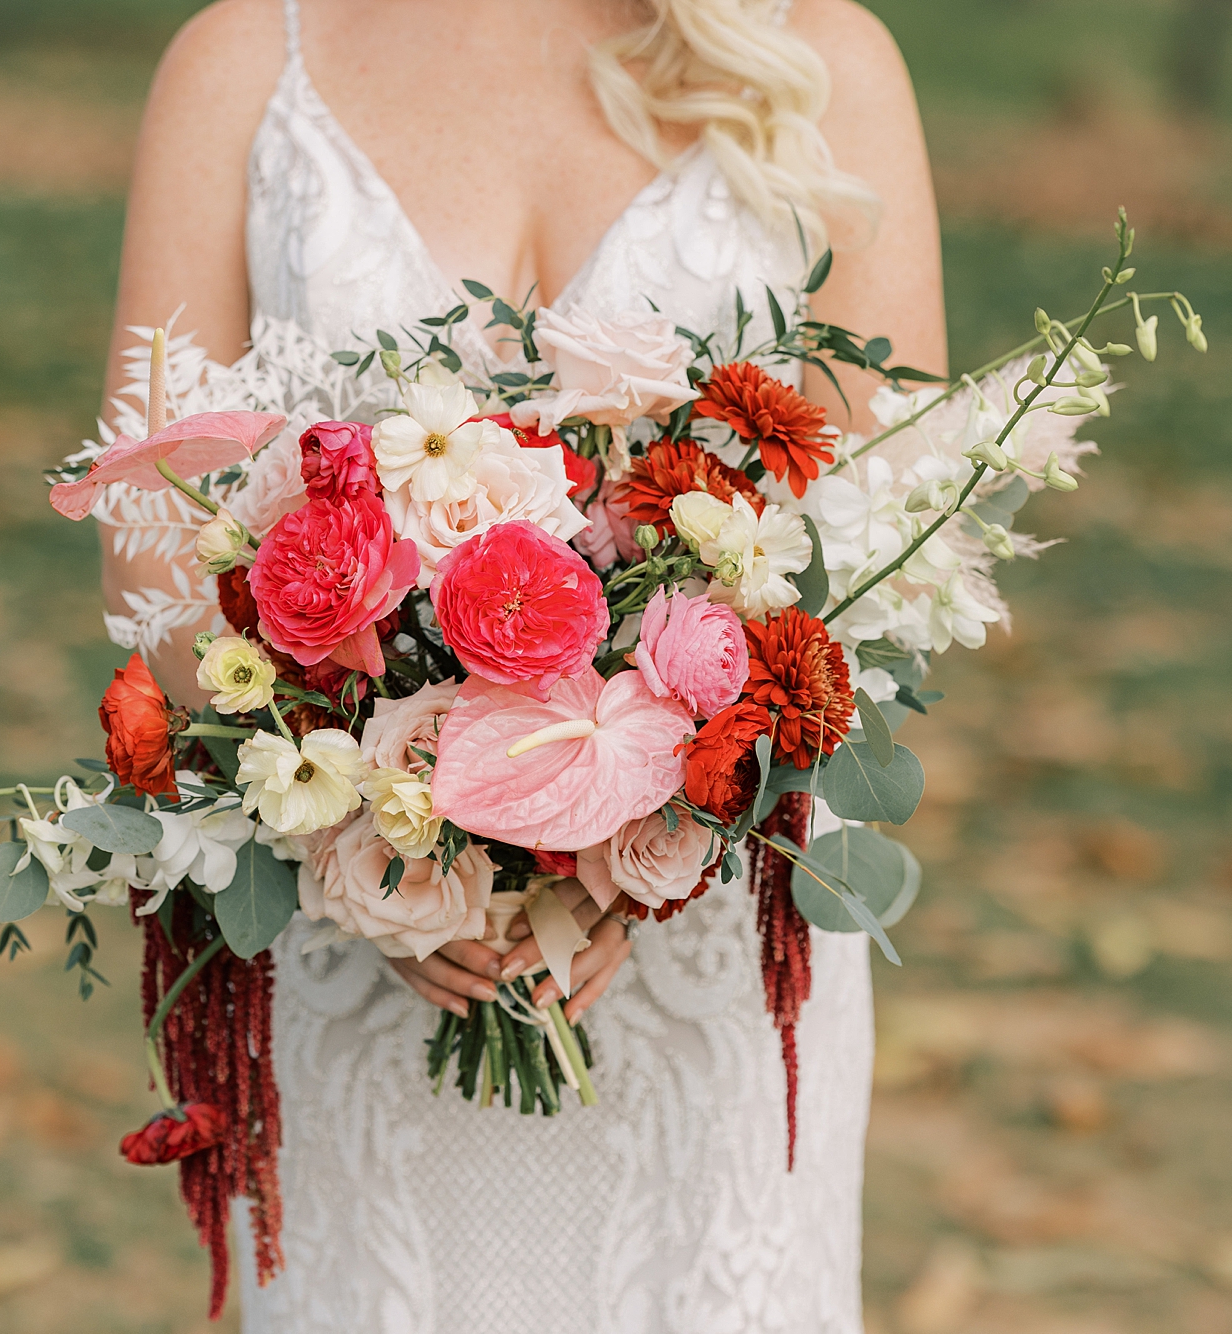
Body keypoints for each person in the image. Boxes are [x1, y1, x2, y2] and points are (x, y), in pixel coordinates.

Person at [100, 1, 944, 1327]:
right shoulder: (247, 65)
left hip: (703, 967)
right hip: (356, 925)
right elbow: (151, 547)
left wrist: (648, 831)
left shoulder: (821, 61)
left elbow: (899, 536)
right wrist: (380, 840)